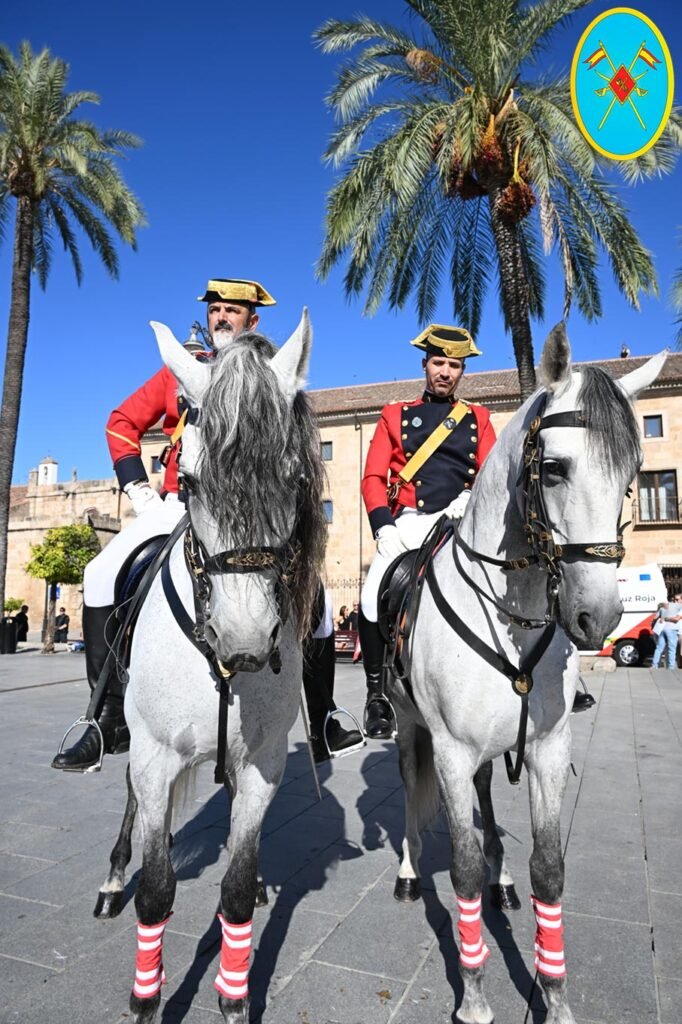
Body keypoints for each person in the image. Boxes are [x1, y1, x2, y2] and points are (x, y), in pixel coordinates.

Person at [52, 278, 355, 770]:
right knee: (99, 574)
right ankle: (105, 715)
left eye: (232, 311)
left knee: (317, 599)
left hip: (252, 510)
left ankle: (323, 716)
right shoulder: (183, 374)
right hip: (181, 500)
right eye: (215, 309)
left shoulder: (269, 377)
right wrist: (139, 491)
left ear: (251, 321)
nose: (220, 318)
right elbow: (120, 423)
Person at [358, 325, 496, 739]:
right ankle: (377, 695)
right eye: (439, 363)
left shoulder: (479, 418)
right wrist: (383, 526)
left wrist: (471, 499)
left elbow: (492, 474)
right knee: (370, 594)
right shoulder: (394, 415)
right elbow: (372, 477)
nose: (446, 372)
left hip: (464, 519)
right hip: (412, 524)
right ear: (425, 365)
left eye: (455, 365)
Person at [303, 590, 363, 762]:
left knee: (322, 683)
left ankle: (324, 735)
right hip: (311, 632)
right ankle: (324, 735)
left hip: (323, 633)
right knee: (316, 683)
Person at [651, 595, 682, 669]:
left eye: (677, 599)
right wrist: (666, 618)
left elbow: (655, 618)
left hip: (662, 629)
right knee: (672, 649)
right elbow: (676, 619)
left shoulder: (663, 607)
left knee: (659, 648)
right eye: (675, 599)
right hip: (672, 629)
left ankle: (654, 665)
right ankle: (671, 667)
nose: (676, 601)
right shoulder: (678, 606)